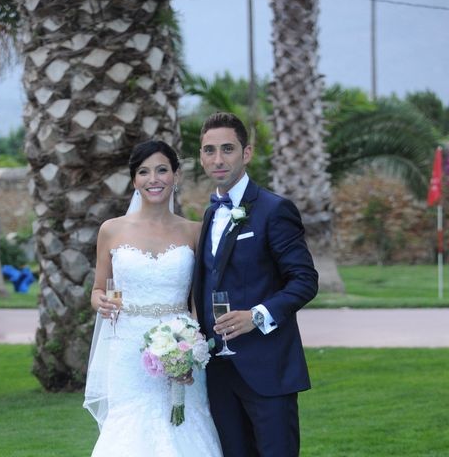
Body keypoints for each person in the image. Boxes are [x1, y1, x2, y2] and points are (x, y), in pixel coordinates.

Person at [84, 140, 222, 457]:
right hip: (127, 350)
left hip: (181, 345)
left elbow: (198, 299)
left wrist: (192, 348)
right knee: (130, 430)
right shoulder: (111, 230)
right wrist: (101, 302)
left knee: (184, 425)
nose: (154, 179)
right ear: (134, 180)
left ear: (175, 175)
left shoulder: (194, 231)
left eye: (162, 170)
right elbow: (98, 290)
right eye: (144, 172)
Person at [192, 112, 318, 457]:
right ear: (201, 156)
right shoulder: (209, 214)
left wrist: (257, 316)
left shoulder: (275, 210)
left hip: (268, 367)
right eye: (209, 150)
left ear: (246, 153)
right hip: (218, 369)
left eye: (227, 149)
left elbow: (305, 280)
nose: (218, 159)